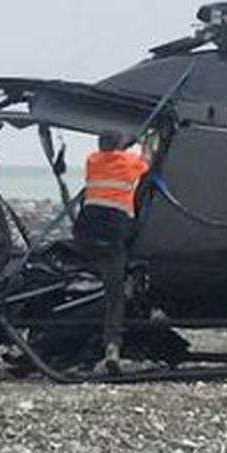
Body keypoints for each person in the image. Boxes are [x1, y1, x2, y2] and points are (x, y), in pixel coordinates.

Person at [74, 129, 152, 374]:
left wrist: (126, 142)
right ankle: (112, 346)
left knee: (86, 275)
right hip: (113, 233)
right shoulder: (129, 162)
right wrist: (146, 139)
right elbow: (149, 159)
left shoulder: (92, 160)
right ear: (121, 146)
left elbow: (112, 155)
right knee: (114, 295)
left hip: (85, 232)